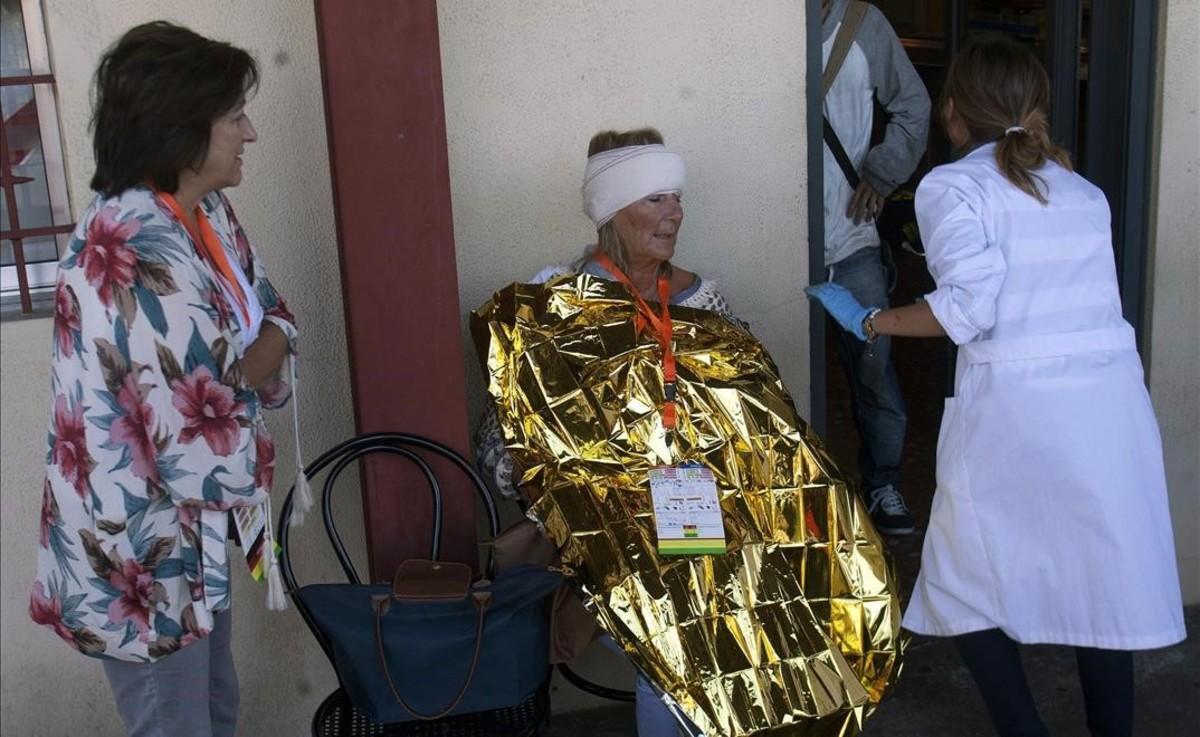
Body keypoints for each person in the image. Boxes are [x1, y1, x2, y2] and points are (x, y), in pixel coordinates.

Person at [806, 38, 1185, 736]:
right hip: (1110, 412)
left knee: (961, 578)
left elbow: (966, 310)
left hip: (1019, 413)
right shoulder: (1082, 189)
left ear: (951, 112)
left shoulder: (950, 186)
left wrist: (870, 320)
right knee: (1100, 586)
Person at [30, 22, 300, 737]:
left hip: (188, 542)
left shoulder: (203, 212)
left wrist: (251, 364)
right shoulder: (134, 244)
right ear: (183, 126)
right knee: (176, 724)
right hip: (142, 553)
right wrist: (253, 364)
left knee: (214, 709)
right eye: (233, 116)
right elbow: (201, 439)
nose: (250, 132)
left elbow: (272, 319)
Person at [474, 127, 726, 737]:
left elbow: (735, 427)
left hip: (691, 511)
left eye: (677, 197)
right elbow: (499, 444)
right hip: (594, 515)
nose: (675, 213)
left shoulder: (703, 300)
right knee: (669, 633)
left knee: (702, 617)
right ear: (613, 209)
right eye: (655, 199)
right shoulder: (556, 299)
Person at [818, 0, 930, 535]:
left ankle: (883, 483)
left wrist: (883, 172)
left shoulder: (863, 22)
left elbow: (913, 104)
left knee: (875, 371)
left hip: (852, 239)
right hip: (782, 233)